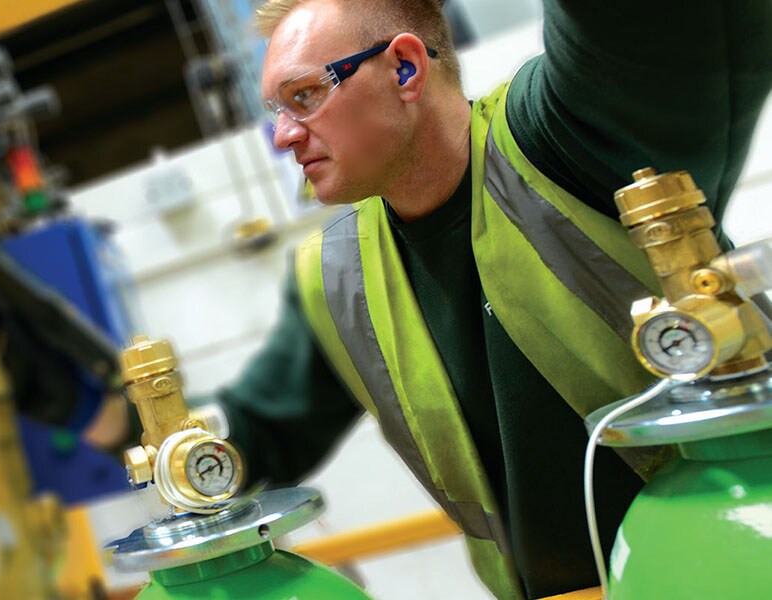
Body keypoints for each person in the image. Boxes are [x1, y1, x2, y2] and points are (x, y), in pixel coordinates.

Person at [87, 0, 772, 597]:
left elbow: (652, 22)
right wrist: (90, 413)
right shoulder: (338, 275)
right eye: (277, 110)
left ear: (406, 69)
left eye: (303, 97)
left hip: (731, 561)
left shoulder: (560, 140)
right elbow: (252, 445)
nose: (283, 135)